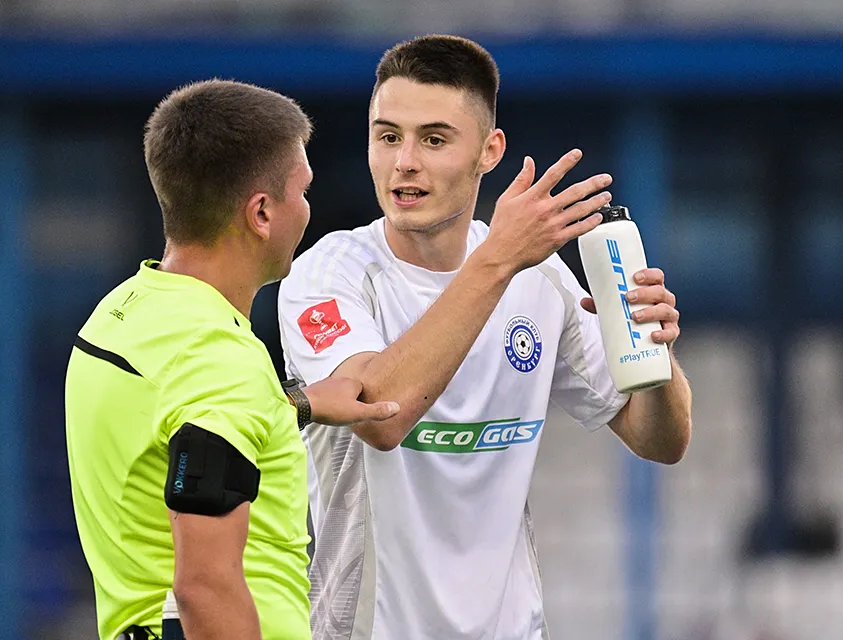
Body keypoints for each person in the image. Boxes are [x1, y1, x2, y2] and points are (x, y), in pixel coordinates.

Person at [277, 35, 692, 639]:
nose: (404, 162)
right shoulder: (328, 274)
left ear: (488, 151)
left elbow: (661, 441)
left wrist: (656, 355)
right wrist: (497, 261)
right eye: (387, 136)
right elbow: (379, 414)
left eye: (434, 139)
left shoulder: (537, 277)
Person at [65, 79, 400, 640]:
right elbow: (205, 588)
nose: (308, 208)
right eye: (302, 191)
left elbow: (178, 427)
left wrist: (297, 404)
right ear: (261, 212)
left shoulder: (121, 311)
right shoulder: (220, 361)